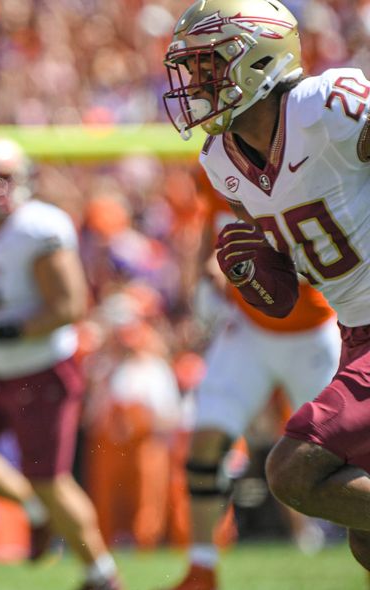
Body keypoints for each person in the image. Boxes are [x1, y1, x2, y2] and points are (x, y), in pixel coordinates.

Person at [163, 0, 370, 579]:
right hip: (353, 330)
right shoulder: (221, 162)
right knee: (367, 542)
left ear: (257, 58)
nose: (195, 85)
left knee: (294, 470)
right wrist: (266, 276)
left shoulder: (324, 106)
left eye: (207, 66)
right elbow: (295, 273)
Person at [0, 137, 122, 590]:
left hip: (43, 369)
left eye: (1, 178)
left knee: (51, 479)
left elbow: (69, 307)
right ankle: (35, 508)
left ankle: (102, 575)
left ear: (23, 181)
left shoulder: (40, 228)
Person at [161, 172, 340, 590]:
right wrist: (209, 273)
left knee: (350, 457)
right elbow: (215, 230)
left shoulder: (299, 156)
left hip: (312, 330)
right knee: (205, 442)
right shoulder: (215, 160)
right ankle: (202, 571)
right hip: (248, 328)